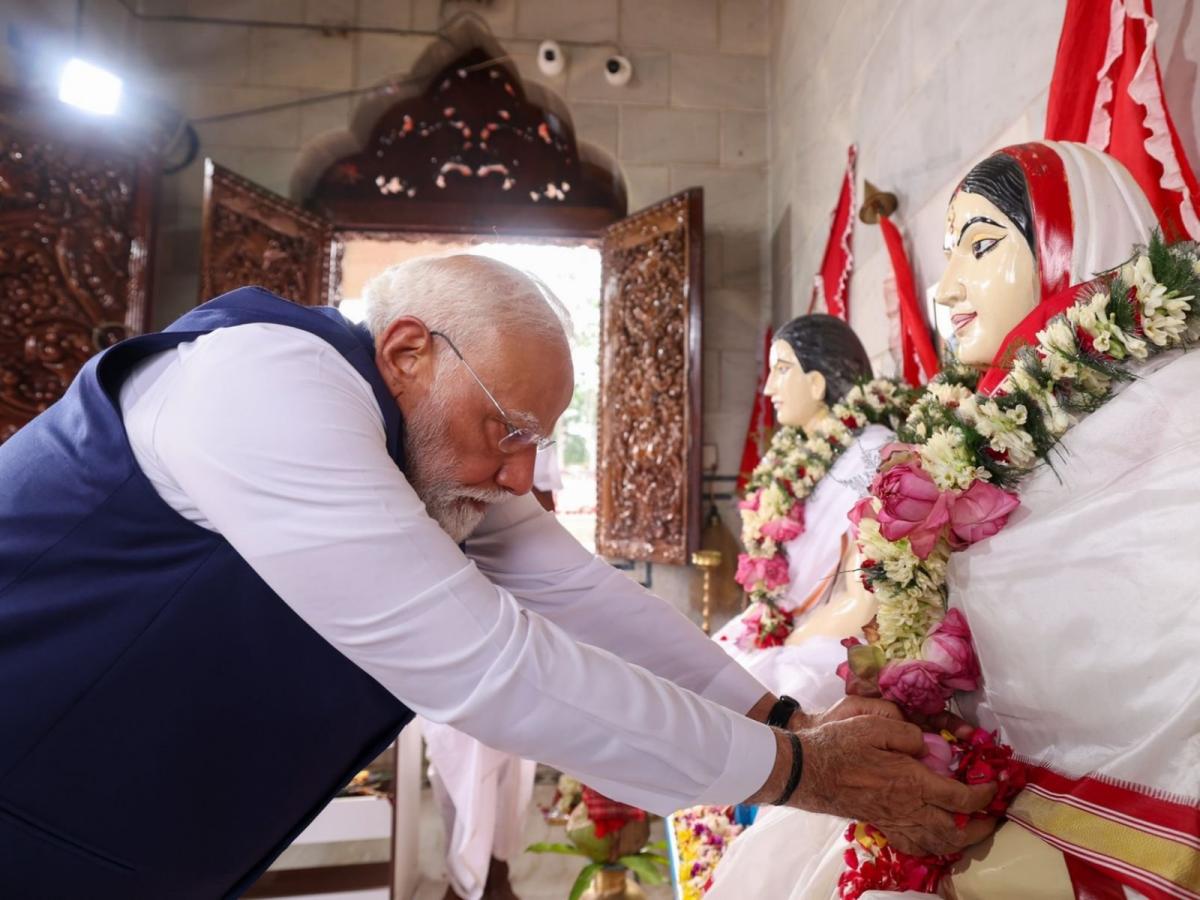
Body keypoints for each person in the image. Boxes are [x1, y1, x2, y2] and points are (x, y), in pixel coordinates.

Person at [0, 255, 995, 897]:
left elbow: (580, 593)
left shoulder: (421, 445)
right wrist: (801, 774)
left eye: (535, 442)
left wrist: (782, 719)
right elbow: (490, 664)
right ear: (407, 353)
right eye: (506, 430)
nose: (521, 476)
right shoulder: (265, 386)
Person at [706, 141, 1195, 900]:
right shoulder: (979, 425)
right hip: (981, 787)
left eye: (982, 246)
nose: (949, 285)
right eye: (947, 254)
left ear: (1073, 244)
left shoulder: (1176, 408)